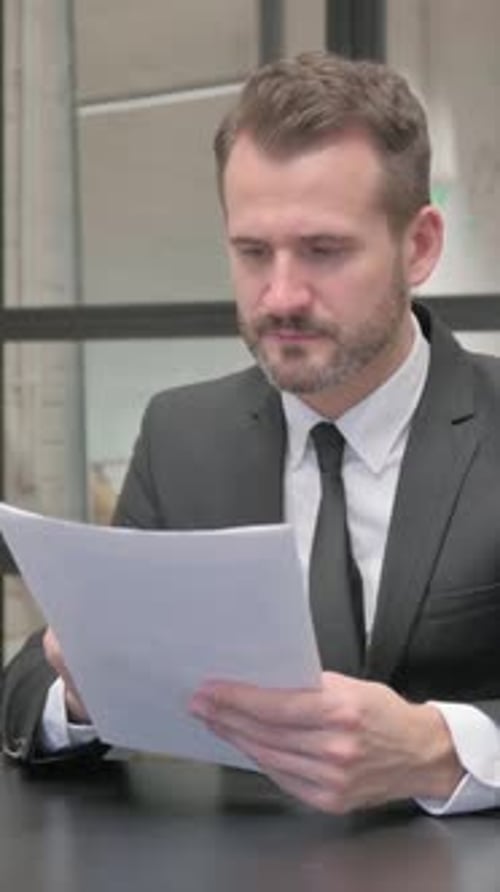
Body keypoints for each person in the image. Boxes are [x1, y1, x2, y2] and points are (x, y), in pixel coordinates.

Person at [2, 51, 500, 816]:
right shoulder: (183, 435)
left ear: (420, 246)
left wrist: (440, 751)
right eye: (252, 252)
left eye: (324, 251)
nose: (281, 295)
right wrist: (79, 692)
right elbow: (29, 686)